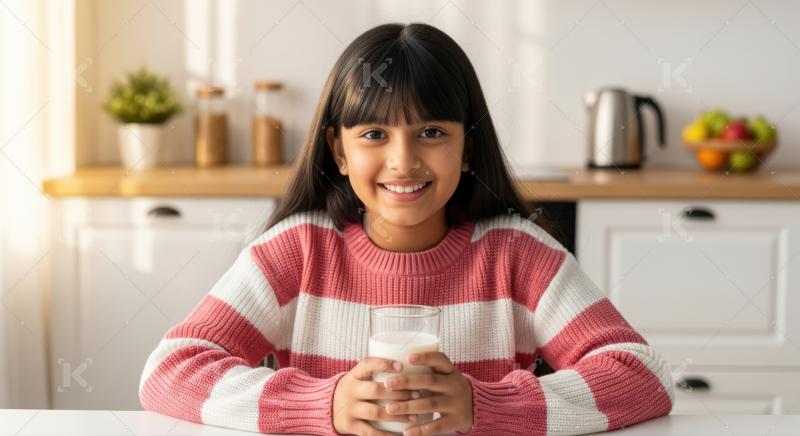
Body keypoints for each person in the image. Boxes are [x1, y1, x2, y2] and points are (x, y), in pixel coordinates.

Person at [139, 22, 673, 436]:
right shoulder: (298, 250)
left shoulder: (517, 254)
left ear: (468, 147)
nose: (403, 160)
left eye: (432, 132)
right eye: (374, 133)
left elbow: (641, 375)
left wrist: (484, 408)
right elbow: (170, 371)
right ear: (338, 151)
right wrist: (321, 406)